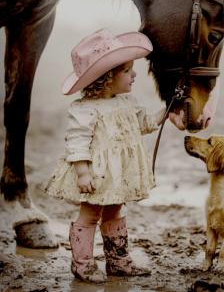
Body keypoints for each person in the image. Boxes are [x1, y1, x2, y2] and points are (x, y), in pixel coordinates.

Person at [46, 29, 166, 283]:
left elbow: (142, 124)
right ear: (107, 77)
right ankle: (83, 264)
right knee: (90, 214)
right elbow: (77, 142)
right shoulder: (85, 108)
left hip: (117, 174)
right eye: (127, 70)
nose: (134, 74)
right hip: (95, 173)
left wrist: (167, 110)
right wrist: (82, 173)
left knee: (115, 212)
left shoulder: (127, 102)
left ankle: (118, 261)